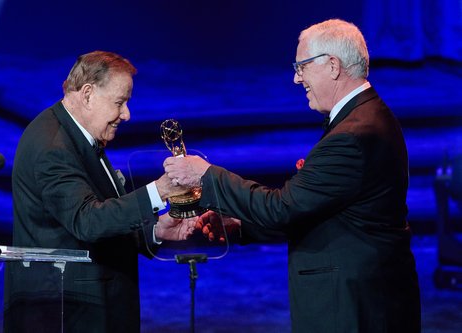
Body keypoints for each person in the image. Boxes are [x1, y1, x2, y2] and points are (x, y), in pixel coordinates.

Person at [163, 19, 421, 333]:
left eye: (301, 67)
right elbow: (315, 209)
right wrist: (240, 225)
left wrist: (206, 176)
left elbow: (283, 207)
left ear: (332, 66)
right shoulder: (366, 116)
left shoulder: (353, 135)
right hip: (365, 297)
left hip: (351, 306)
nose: (297, 79)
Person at [6, 51, 192, 333]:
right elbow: (86, 221)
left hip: (91, 308)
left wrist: (153, 230)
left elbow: (99, 214)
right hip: (66, 313)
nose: (127, 114)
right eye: (120, 102)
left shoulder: (78, 135)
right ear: (88, 94)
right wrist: (161, 190)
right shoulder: (53, 146)